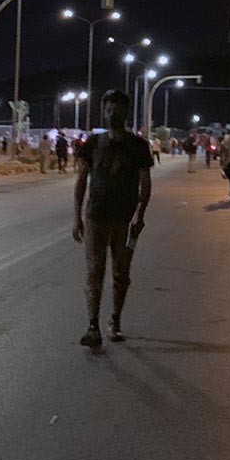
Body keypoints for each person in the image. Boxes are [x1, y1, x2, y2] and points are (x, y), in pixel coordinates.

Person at [72, 90, 152, 349]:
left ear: (125, 112)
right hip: (95, 216)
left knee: (121, 273)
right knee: (95, 272)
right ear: (103, 111)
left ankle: (115, 320)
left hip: (124, 220)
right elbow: (81, 181)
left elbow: (145, 183)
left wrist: (140, 214)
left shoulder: (138, 146)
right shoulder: (93, 144)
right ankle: (92, 325)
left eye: (117, 108)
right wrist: (77, 217)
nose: (112, 113)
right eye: (108, 108)